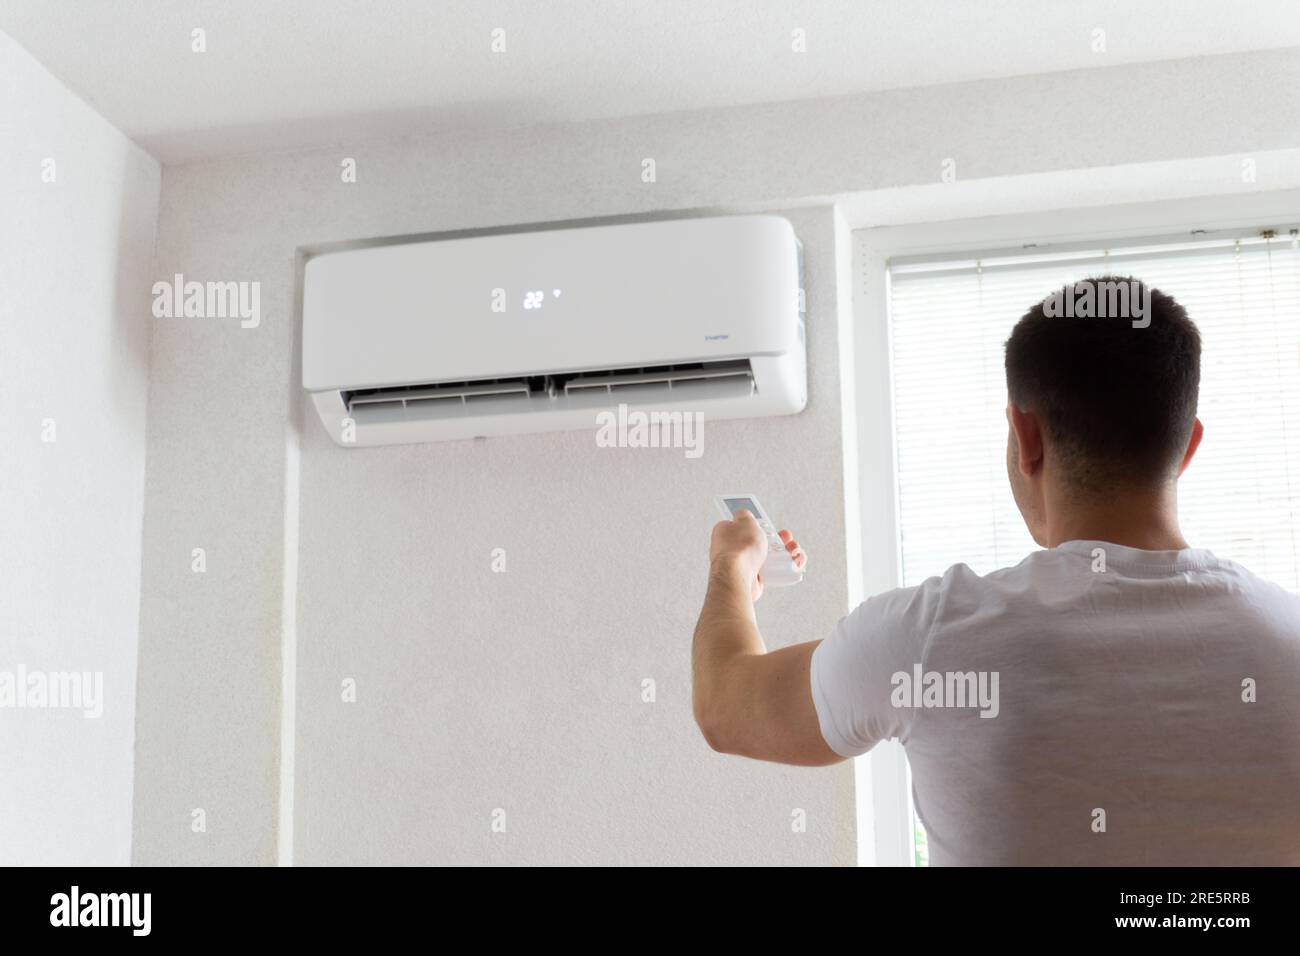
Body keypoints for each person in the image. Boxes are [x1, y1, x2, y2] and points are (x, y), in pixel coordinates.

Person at [691, 276, 1300, 865]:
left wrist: (733, 567)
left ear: (1024, 434)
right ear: (1188, 446)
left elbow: (726, 706)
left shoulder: (929, 638)